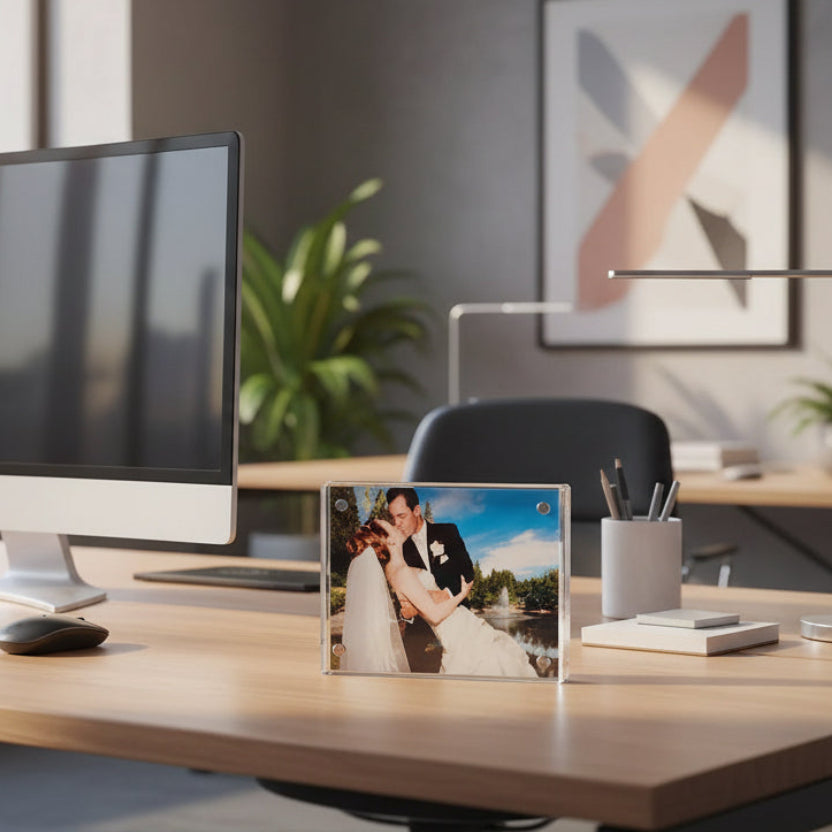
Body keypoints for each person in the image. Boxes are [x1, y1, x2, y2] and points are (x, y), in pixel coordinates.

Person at [342, 519, 537, 679]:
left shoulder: (397, 568)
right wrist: (461, 594)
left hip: (462, 626)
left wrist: (415, 605)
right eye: (391, 527)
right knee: (497, 663)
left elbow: (416, 603)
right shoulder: (400, 571)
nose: (397, 526)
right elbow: (434, 615)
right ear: (388, 540)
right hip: (456, 631)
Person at [386, 486, 475, 672]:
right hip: (419, 627)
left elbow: (467, 572)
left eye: (401, 516)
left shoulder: (448, 531)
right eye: (393, 518)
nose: (397, 523)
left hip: (456, 616)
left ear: (417, 511)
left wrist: (443, 595)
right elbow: (399, 596)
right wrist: (406, 613)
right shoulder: (398, 549)